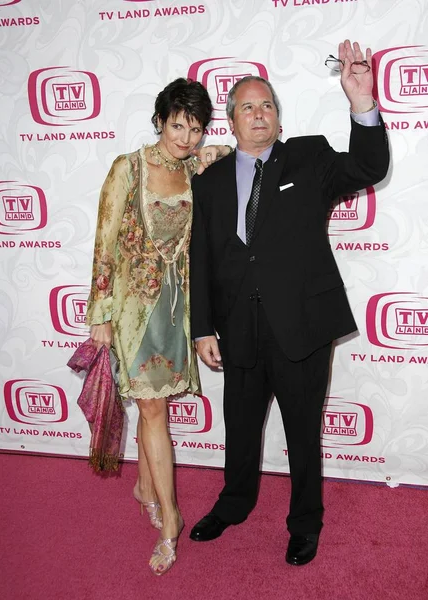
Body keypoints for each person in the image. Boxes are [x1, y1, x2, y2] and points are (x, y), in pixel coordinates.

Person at [189, 40, 389, 565]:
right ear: (231, 122)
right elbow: (202, 259)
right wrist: (202, 328)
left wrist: (362, 102)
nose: (259, 114)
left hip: (301, 324)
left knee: (303, 433)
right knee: (240, 427)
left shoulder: (309, 156)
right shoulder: (208, 180)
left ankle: (305, 523)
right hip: (239, 329)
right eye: (248, 107)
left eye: (268, 106)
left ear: (279, 117)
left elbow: (369, 167)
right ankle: (233, 505)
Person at [85, 78, 232, 576]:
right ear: (158, 122)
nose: (186, 138)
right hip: (134, 309)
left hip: (178, 308)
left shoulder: (195, 167)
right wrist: (99, 315)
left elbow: (230, 151)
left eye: (195, 128)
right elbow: (103, 243)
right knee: (152, 409)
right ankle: (171, 520)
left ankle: (145, 486)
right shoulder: (127, 168)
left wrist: (211, 149)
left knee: (157, 406)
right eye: (177, 126)